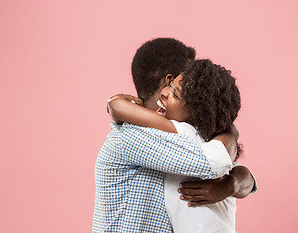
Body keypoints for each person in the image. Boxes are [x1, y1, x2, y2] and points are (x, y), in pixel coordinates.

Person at [92, 38, 256, 232]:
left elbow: (237, 171)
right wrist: (230, 131)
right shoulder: (133, 136)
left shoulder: (188, 136)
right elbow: (214, 161)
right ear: (169, 80)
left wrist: (233, 183)